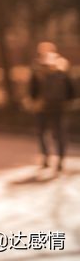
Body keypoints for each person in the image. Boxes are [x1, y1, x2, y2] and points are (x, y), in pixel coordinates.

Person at [28, 42, 75, 171]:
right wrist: (67, 101)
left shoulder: (37, 67)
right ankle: (60, 159)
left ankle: (45, 157)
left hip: (41, 106)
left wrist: (33, 101)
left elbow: (32, 90)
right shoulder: (62, 66)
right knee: (59, 133)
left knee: (42, 133)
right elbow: (71, 88)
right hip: (58, 106)